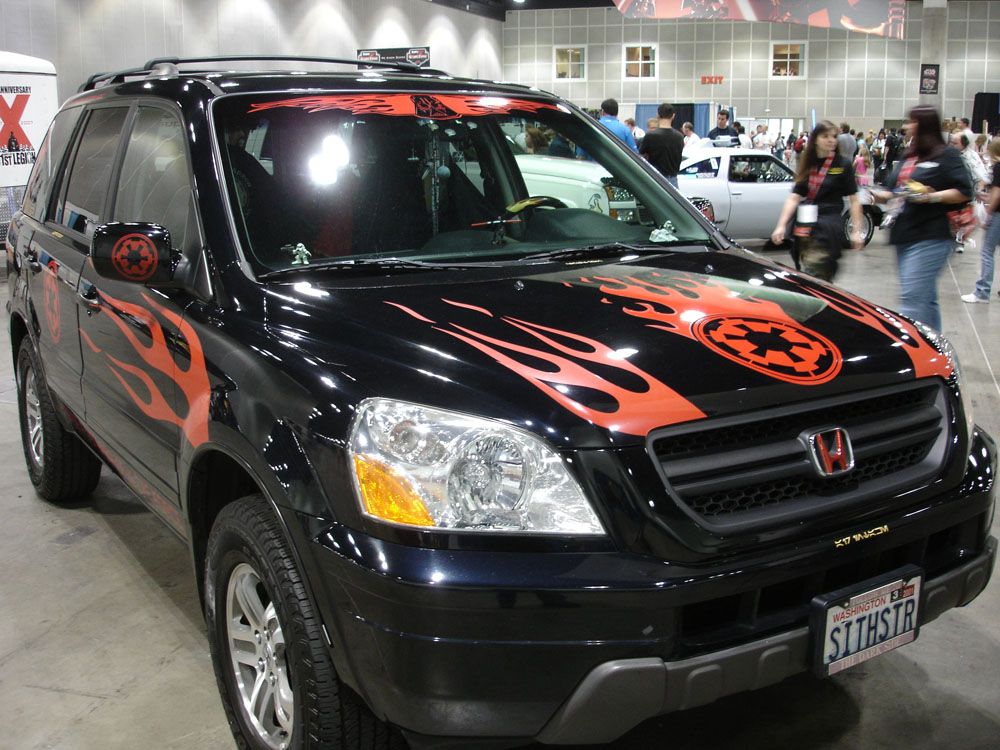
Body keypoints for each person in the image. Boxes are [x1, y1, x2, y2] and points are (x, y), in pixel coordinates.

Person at [871, 105, 974, 332]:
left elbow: (965, 191)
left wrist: (932, 197)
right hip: (904, 235)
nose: (906, 127)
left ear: (924, 125)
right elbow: (895, 191)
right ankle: (935, 348)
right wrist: (876, 196)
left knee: (911, 300)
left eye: (911, 122)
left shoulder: (947, 155)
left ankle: (910, 353)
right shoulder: (909, 156)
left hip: (931, 236)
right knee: (925, 299)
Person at [771, 120, 864, 281]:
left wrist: (856, 230)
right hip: (805, 226)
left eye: (834, 136)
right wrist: (780, 226)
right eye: (825, 136)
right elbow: (794, 197)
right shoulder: (808, 164)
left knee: (817, 274)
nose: (831, 140)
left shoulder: (843, 164)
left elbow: (854, 200)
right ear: (815, 139)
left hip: (827, 227)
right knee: (807, 274)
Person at [961, 137, 1000, 304]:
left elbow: (997, 193)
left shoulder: (998, 167)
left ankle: (982, 292)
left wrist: (988, 212)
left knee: (987, 252)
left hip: (998, 215)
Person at [639, 102, 685, 188]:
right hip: (672, 180)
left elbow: (641, 156)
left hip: (654, 179)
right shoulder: (679, 137)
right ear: (673, 116)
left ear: (657, 115)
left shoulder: (650, 136)